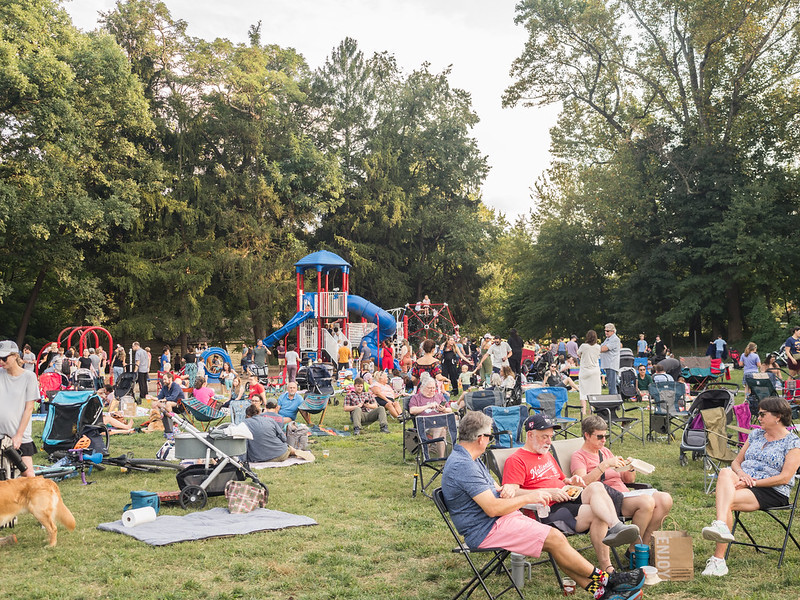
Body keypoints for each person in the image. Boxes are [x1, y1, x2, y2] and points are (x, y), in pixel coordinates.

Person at [442, 411, 645, 600]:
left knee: (556, 542)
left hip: (500, 519)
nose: (489, 440)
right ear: (480, 438)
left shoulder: (471, 460)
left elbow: (496, 490)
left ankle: (602, 593)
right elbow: (493, 508)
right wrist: (531, 496)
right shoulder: (464, 465)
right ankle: (608, 580)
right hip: (487, 529)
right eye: (490, 436)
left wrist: (508, 491)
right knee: (555, 539)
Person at [502, 414, 641, 574]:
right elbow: (512, 492)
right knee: (598, 514)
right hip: (545, 511)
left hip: (567, 497)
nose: (549, 441)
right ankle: (608, 570)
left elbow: (562, 479)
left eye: (551, 437)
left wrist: (571, 480)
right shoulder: (516, 460)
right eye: (544, 437)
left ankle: (616, 527)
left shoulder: (546, 455)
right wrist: (548, 492)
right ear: (530, 434)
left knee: (595, 486)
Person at [700, 396, 800, 576]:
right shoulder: (755, 435)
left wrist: (752, 482)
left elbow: (785, 478)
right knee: (724, 473)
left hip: (771, 490)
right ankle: (721, 528)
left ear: (778, 416)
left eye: (762, 414)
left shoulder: (793, 442)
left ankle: (718, 560)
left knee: (726, 501)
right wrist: (742, 475)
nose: (758, 417)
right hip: (742, 482)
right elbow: (736, 462)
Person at [571, 415, 674, 558]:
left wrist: (630, 467)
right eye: (600, 437)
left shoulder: (605, 452)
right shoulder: (579, 456)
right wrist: (604, 465)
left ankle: (643, 546)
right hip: (607, 499)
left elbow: (628, 479)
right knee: (647, 502)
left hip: (625, 494)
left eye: (605, 436)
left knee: (665, 499)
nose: (604, 440)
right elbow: (582, 483)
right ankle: (634, 550)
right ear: (587, 435)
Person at [0, 341, 39, 477]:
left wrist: (19, 435)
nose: (1, 361)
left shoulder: (29, 377)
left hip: (19, 436)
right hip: (1, 434)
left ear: (15, 355)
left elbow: (29, 408)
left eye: (4, 358)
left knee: (28, 475)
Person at [243, 404, 313, 463]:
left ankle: (292, 451)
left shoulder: (244, 424)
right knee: (286, 448)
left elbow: (243, 444)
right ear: (259, 412)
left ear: (247, 415)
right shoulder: (270, 420)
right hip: (280, 454)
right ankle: (293, 451)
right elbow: (283, 438)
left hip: (257, 458)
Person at [153, 371, 185, 437]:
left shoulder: (176, 386)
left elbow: (173, 397)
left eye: (165, 379)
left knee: (168, 404)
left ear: (170, 379)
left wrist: (163, 400)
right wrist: (152, 398)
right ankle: (167, 427)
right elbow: (159, 397)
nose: (163, 381)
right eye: (163, 379)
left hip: (179, 405)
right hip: (171, 405)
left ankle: (174, 422)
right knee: (157, 404)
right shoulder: (165, 387)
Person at [577, 330, 602, 416]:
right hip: (595, 370)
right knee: (595, 391)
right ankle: (591, 409)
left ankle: (583, 410)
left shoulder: (583, 346)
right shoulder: (598, 347)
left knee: (583, 391)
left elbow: (578, 354)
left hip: (585, 370)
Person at [600, 324, 621, 396]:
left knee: (612, 385)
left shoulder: (615, 339)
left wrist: (593, 349)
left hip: (611, 364)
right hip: (608, 364)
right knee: (611, 384)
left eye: (607, 331)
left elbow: (604, 348)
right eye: (605, 330)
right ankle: (614, 402)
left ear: (613, 331)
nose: (606, 332)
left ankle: (614, 403)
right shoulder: (608, 339)